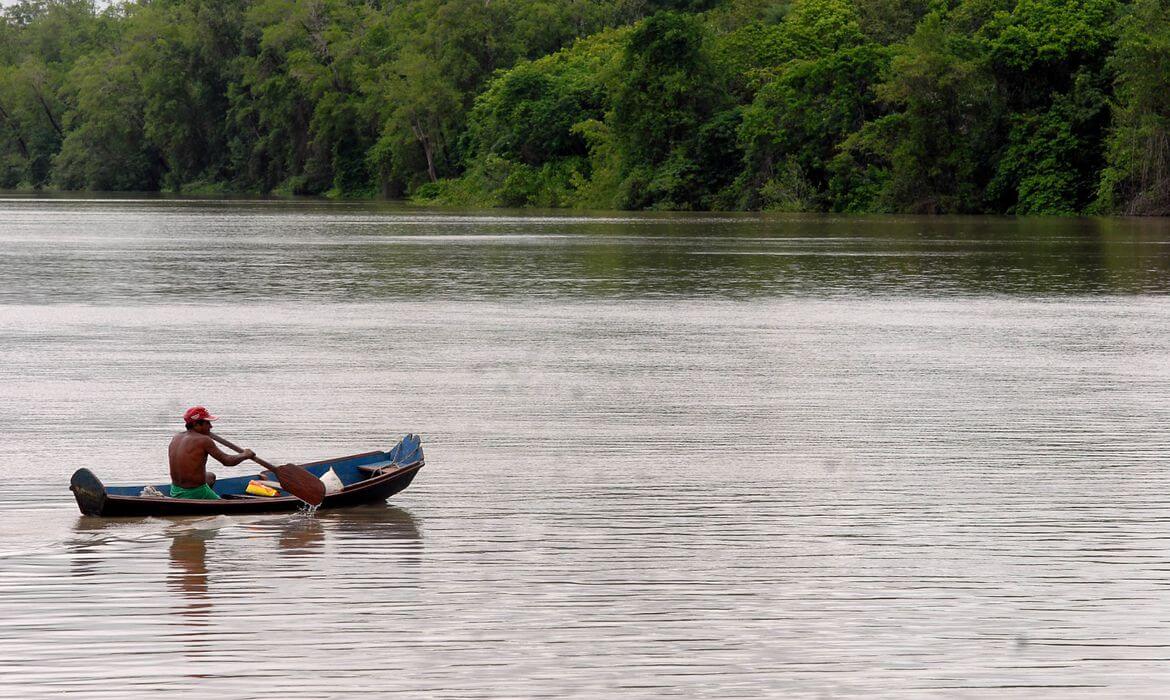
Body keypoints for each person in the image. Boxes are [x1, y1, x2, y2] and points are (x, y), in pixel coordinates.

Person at [168, 406, 256, 500]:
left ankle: (203, 498)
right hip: (195, 492)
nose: (211, 426)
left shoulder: (176, 437)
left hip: (175, 490)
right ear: (196, 424)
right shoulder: (204, 440)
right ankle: (204, 497)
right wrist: (245, 455)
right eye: (207, 423)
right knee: (223, 504)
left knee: (210, 476)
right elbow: (227, 461)